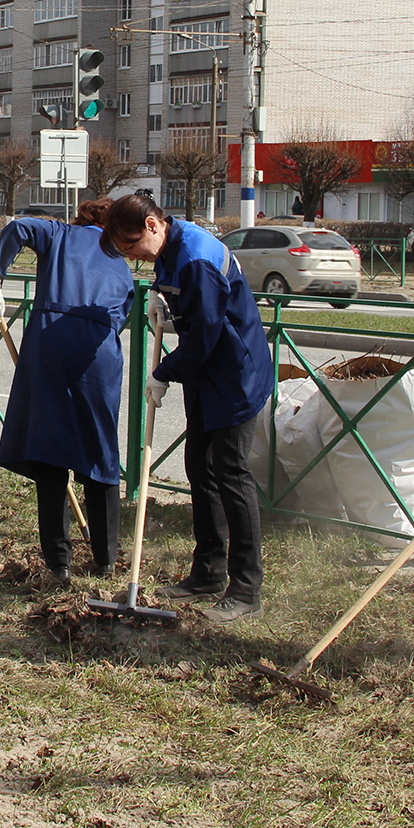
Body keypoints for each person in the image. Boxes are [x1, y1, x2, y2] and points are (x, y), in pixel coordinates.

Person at [103, 194, 274, 620]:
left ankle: (246, 589)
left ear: (152, 224)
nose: (131, 255)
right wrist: (166, 302)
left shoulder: (195, 256)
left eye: (130, 244)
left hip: (235, 373)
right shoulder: (172, 245)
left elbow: (206, 337)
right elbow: (194, 313)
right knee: (200, 467)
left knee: (231, 473)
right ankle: (208, 573)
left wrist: (165, 372)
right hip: (208, 373)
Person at [0, 199, 136, 584]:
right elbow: (123, 314)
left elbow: (19, 227)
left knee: (51, 456)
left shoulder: (61, 234)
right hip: (99, 356)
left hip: (49, 346)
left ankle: (58, 564)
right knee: (99, 454)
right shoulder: (121, 262)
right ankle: (106, 559)